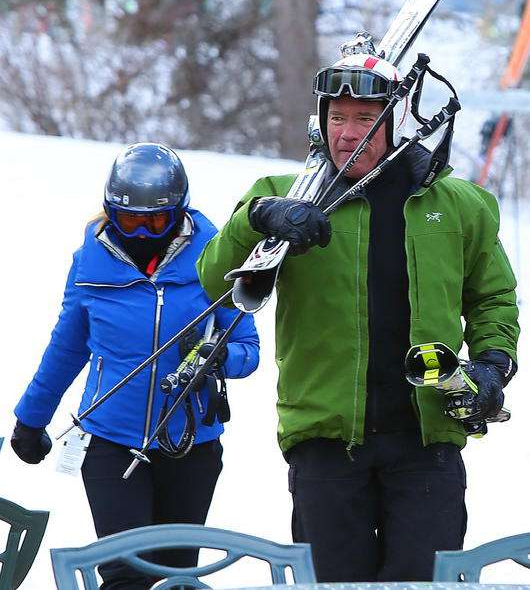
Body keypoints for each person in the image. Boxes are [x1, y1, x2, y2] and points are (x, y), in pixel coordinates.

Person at [196, 43, 519, 582]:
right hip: (325, 441)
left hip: (425, 439)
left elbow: (493, 298)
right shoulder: (281, 197)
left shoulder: (458, 203)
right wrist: (258, 220)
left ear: (394, 122)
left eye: (365, 119)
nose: (348, 132)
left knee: (422, 583)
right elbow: (211, 279)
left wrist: (490, 364)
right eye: (337, 118)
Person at [12, 142, 260, 589]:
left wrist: (220, 357)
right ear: (111, 213)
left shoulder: (217, 260)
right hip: (110, 440)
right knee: (126, 574)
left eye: (156, 220)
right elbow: (67, 348)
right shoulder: (89, 263)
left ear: (180, 213)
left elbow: (248, 347)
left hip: (191, 446)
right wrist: (30, 420)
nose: (144, 232)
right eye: (131, 220)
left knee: (176, 576)